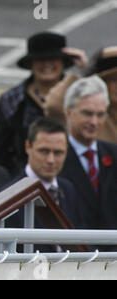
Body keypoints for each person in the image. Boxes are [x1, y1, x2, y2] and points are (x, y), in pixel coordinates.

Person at [0, 32, 85, 176]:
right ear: (30, 64)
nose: (47, 64)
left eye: (53, 59)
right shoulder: (11, 101)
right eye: (40, 59)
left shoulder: (79, 96)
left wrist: (86, 69)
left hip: (72, 180)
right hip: (23, 182)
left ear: (63, 62)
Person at [59, 76, 117, 248]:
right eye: (87, 113)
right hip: (75, 258)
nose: (94, 122)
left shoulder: (114, 154)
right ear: (69, 112)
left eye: (100, 115)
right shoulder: (55, 158)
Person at [6, 117, 80, 234]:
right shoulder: (9, 196)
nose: (51, 160)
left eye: (58, 153)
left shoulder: (68, 189)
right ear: (28, 147)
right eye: (44, 151)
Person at [44, 46, 117, 144]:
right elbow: (54, 106)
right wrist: (84, 74)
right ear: (101, 82)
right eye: (114, 80)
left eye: (100, 115)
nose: (94, 121)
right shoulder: (91, 110)